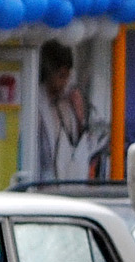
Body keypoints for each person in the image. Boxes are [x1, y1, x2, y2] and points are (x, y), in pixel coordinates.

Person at [36, 40, 106, 181]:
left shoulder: (67, 105)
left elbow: (82, 147)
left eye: (67, 76)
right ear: (48, 72)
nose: (65, 82)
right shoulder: (37, 103)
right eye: (61, 76)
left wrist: (79, 114)